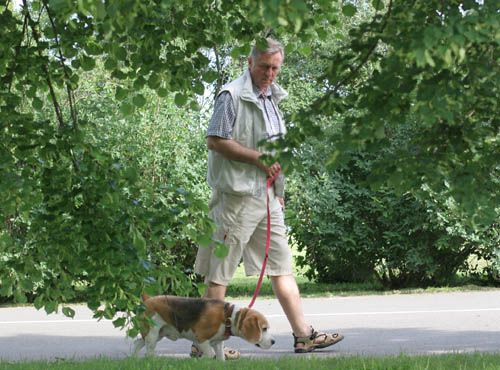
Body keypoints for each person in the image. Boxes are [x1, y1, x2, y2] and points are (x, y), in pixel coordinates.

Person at [193, 38, 344, 359]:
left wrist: (279, 191)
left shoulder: (272, 99)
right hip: (235, 199)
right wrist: (257, 159)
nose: (270, 73)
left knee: (282, 266)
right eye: (264, 66)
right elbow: (216, 141)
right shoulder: (230, 95)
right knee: (220, 274)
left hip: (267, 200)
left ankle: (304, 337)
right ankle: (203, 345)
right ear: (250, 63)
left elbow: (277, 152)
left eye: (275, 68)